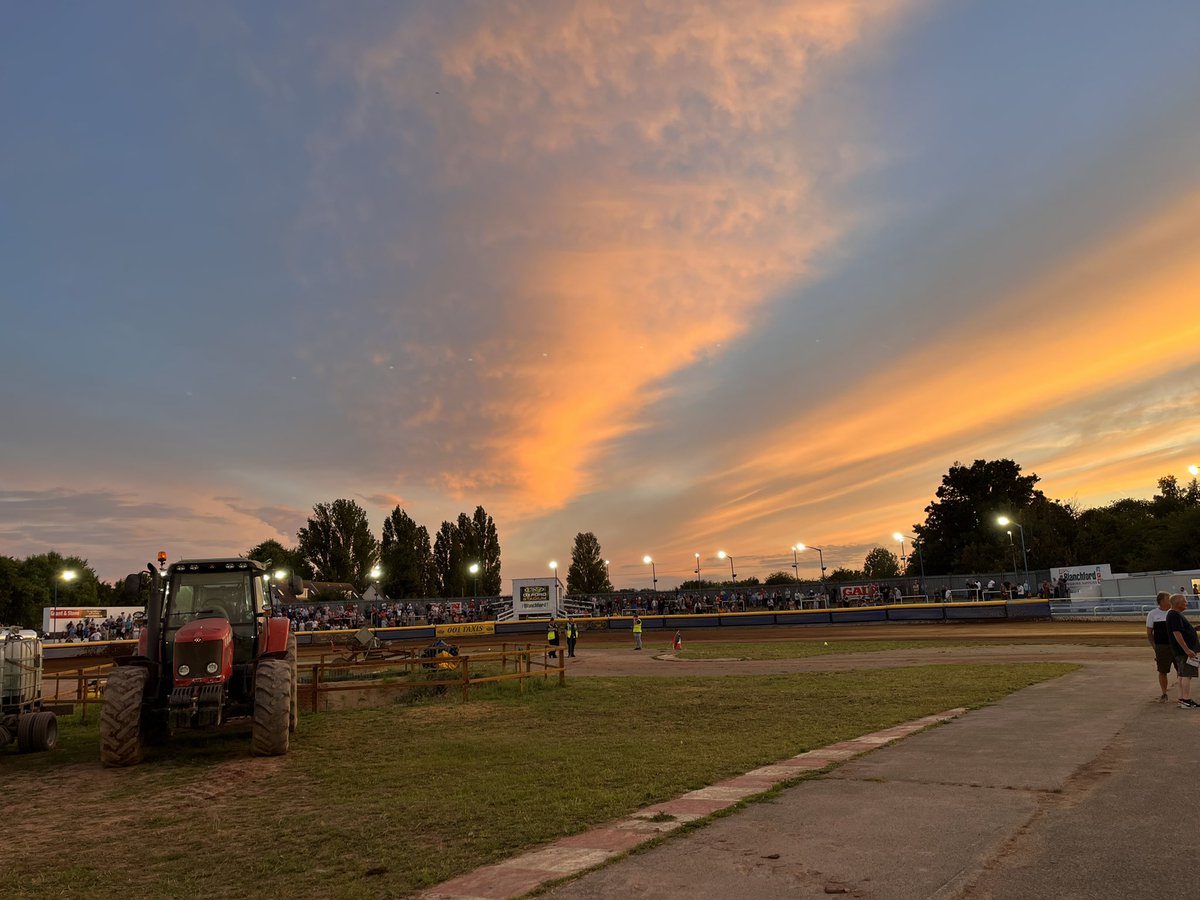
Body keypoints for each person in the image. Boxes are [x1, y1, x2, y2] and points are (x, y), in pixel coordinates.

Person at [1166, 593, 1200, 709]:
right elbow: (1177, 633)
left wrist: (1193, 629)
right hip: (1184, 651)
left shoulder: (1174, 614)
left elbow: (1180, 630)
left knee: (1182, 675)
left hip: (1181, 651)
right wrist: (1187, 649)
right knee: (1187, 675)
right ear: (1178, 603)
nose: (1186, 604)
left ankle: (1182, 699)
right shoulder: (1174, 615)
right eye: (1185, 602)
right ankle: (1186, 700)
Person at [1146, 591, 1173, 702]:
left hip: (1176, 646)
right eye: (1168, 598)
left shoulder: (1174, 612)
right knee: (1162, 670)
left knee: (1181, 670)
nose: (1171, 600)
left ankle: (1183, 694)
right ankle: (1164, 693)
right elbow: (1149, 633)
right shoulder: (1153, 614)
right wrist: (1155, 648)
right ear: (1162, 601)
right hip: (1162, 646)